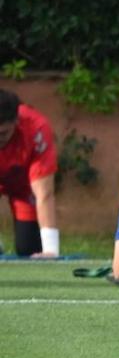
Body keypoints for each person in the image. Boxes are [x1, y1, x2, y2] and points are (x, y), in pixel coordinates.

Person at [0, 89, 59, 257]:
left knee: (29, 249)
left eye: (2, 133)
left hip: (24, 188)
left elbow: (44, 194)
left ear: (15, 122)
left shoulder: (36, 128)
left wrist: (51, 250)